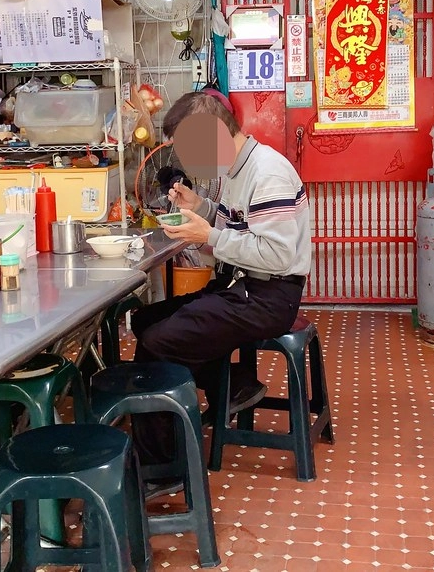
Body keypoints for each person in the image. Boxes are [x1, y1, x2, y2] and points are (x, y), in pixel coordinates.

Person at [130, 90, 312, 497]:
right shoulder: (239, 170)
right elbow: (240, 227)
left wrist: (207, 234)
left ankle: (163, 468)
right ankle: (235, 385)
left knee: (160, 343)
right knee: (146, 320)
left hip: (268, 296)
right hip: (241, 285)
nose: (190, 162)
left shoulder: (268, 174)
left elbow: (275, 254)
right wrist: (203, 207)